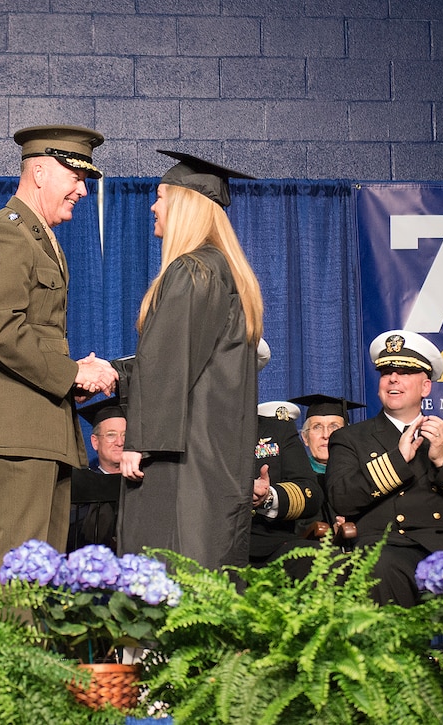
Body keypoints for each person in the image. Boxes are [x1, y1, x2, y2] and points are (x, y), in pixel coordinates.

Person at [0, 125, 117, 601]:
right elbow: (0, 330)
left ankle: (27, 671)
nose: (84, 190)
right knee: (16, 559)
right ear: (40, 172)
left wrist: (75, 373)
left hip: (42, 422)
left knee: (39, 564)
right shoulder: (5, 237)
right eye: (76, 177)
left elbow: (35, 333)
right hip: (20, 424)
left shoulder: (36, 236)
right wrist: (72, 373)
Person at [116, 150, 264, 570]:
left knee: (171, 569)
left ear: (185, 203)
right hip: (216, 457)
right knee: (211, 567)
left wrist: (138, 442)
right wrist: (115, 372)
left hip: (182, 460)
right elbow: (178, 355)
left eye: (161, 196)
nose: (153, 206)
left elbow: (166, 366)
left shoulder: (193, 270)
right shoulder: (225, 271)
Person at [327, 330, 443, 606]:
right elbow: (341, 498)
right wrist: (397, 459)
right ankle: (400, 651)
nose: (393, 379)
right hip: (388, 546)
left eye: (405, 372)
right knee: (378, 568)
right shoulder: (351, 438)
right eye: (386, 372)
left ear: (425, 387)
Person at [250, 400, 322, 577]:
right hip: (204, 545)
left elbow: (310, 493)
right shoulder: (193, 430)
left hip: (267, 547)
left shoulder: (276, 430)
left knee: (317, 560)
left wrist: (268, 498)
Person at [290, 393, 365, 531]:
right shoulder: (295, 480)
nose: (326, 435)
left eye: (334, 427)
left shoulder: (361, 477)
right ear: (305, 438)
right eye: (317, 427)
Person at [68, 396, 125, 550]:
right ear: (94, 442)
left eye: (126, 435)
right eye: (111, 435)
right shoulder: (78, 488)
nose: (120, 442)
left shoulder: (146, 486)